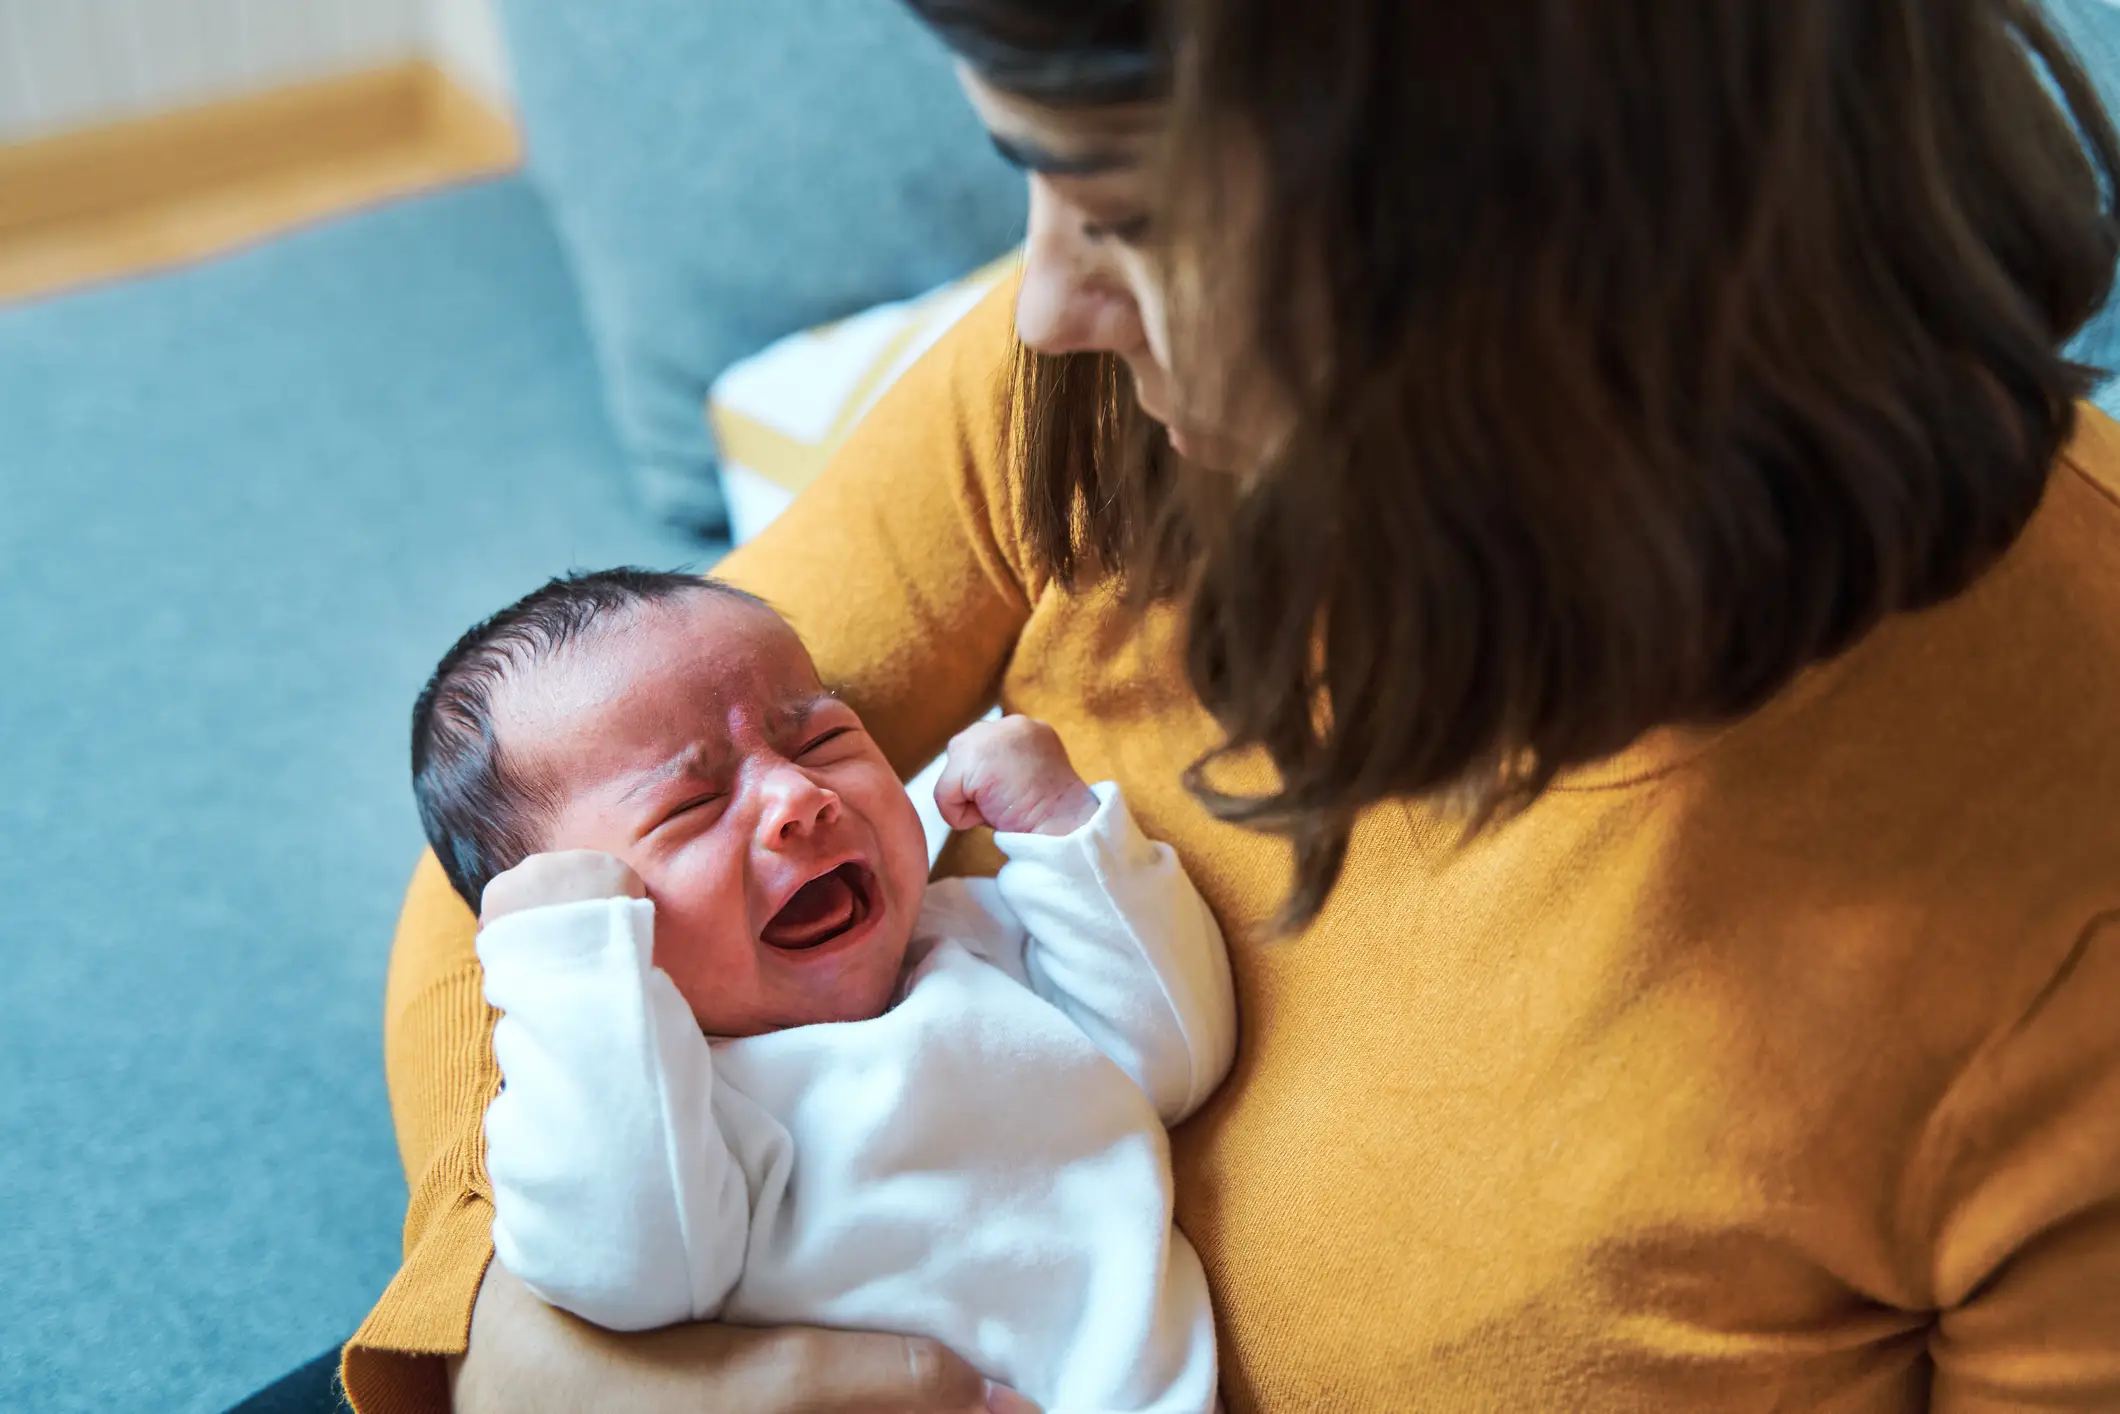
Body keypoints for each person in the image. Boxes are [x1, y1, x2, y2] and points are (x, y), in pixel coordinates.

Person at [332, 0, 2120, 1410]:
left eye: (1124, 217)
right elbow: (531, 833)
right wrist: (519, 1339)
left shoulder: (2051, 945)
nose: (1041, 298)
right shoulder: (1089, 407)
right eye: (1034, 183)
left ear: (1530, 268)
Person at [409, 569, 1231, 1414]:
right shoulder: (667, 1113)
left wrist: (1063, 826)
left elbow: (1175, 1054)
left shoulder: (979, 939)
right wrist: (570, 976)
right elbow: (625, 1271)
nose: (802, 797)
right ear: (592, 911)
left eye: (822, 740)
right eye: (691, 803)